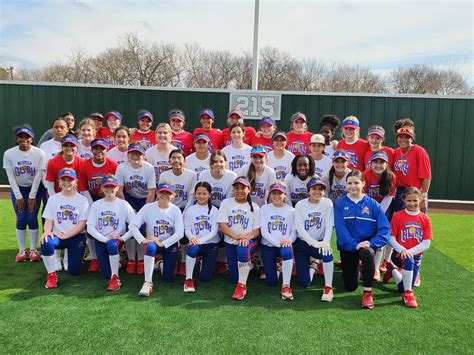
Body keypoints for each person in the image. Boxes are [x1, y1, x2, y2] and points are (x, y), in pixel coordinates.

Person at [335, 170, 390, 309]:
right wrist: (354, 244)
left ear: (363, 184)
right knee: (350, 286)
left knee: (368, 253)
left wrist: (372, 243)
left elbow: (385, 229)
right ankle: (359, 268)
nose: (353, 186)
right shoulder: (340, 203)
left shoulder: (373, 204)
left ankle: (367, 292)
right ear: (346, 185)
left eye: (356, 182)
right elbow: (340, 230)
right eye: (349, 183)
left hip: (366, 245)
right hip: (348, 247)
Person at [130, 183, 184, 297]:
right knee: (150, 246)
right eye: (162, 192)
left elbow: (180, 233)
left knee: (167, 278)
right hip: (153, 243)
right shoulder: (148, 207)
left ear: (173, 195)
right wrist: (142, 240)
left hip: (169, 245)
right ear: (157, 193)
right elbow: (133, 225)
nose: (164, 195)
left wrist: (163, 243)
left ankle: (161, 264)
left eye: (168, 193)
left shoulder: (176, 210)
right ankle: (148, 282)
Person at [40, 168, 90, 288]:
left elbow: (82, 224)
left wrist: (65, 235)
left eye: (70, 180)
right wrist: (47, 232)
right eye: (64, 180)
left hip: (76, 237)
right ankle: (51, 275)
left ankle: (70, 258)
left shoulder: (83, 200)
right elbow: (48, 220)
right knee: (46, 240)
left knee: (74, 272)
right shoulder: (53, 199)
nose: (67, 183)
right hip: (59, 236)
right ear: (59, 181)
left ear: (76, 181)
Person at [384, 187, 432, 308]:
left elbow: (426, 243)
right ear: (403, 200)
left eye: (415, 200)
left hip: (415, 257)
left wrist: (408, 252)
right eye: (409, 201)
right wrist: (402, 251)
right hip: (399, 255)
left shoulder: (425, 218)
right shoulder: (397, 216)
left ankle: (392, 270)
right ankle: (408, 295)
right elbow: (391, 238)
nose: (412, 203)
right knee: (408, 264)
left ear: (420, 200)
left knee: (402, 286)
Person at [3, 127, 46, 262]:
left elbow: (39, 175)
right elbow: (10, 177)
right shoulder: (9, 154)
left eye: (26, 137)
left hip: (35, 188)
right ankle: (22, 250)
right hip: (18, 189)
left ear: (31, 139)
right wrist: (19, 196)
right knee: (21, 219)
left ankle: (33, 250)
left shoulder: (39, 153)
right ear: (17, 139)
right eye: (20, 137)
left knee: (32, 218)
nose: (23, 140)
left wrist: (32, 196)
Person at [86, 175, 135, 291]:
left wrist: (123, 238)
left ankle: (115, 277)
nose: (109, 190)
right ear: (102, 188)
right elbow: (90, 228)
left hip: (116, 240)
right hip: (101, 240)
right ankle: (116, 264)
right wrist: (104, 238)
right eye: (106, 187)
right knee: (105, 274)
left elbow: (134, 225)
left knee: (112, 245)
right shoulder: (96, 205)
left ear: (117, 188)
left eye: (112, 187)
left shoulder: (123, 204)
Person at [217, 177, 260, 300]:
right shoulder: (226, 203)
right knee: (233, 278)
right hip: (231, 242)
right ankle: (250, 265)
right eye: (237, 188)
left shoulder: (255, 207)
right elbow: (223, 225)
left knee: (242, 248)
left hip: (248, 242)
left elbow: (256, 230)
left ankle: (242, 286)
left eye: (243, 188)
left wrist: (245, 238)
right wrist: (237, 237)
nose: (239, 191)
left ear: (249, 189)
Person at [79, 138, 119, 272]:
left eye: (102, 148)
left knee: (109, 225)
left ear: (107, 150)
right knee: (90, 228)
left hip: (109, 198)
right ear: (91, 150)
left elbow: (116, 187)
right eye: (96, 148)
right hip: (90, 199)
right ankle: (94, 256)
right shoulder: (84, 165)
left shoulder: (113, 165)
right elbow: (83, 187)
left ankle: (115, 253)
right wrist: (92, 206)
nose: (99, 151)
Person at [116, 143, 156, 274]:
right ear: (128, 155)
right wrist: (127, 207)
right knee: (130, 226)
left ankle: (142, 258)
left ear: (143, 155)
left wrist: (144, 210)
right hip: (129, 198)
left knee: (142, 227)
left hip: (145, 200)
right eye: (132, 153)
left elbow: (151, 191)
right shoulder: (121, 167)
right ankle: (132, 258)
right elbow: (119, 190)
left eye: (138, 153)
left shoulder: (149, 168)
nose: (135, 156)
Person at [294, 177, 335, 302]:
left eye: (320, 189)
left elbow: (329, 225)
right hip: (303, 245)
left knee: (328, 254)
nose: (317, 192)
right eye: (314, 189)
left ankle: (328, 286)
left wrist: (326, 243)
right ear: (308, 191)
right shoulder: (300, 205)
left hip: (320, 241)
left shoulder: (327, 203)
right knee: (304, 283)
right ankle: (314, 266)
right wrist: (313, 243)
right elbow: (299, 228)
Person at [363, 151, 397, 280]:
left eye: (381, 162)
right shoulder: (365, 174)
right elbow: (363, 196)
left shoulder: (391, 176)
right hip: (367, 208)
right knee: (365, 234)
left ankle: (376, 269)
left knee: (380, 237)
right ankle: (364, 262)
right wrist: (372, 213)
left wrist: (378, 215)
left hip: (383, 208)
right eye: (375, 162)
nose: (378, 165)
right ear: (370, 163)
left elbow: (389, 197)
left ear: (386, 164)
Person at [259, 182, 296, 300]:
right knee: (271, 282)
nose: (276, 196)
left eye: (279, 193)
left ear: (284, 194)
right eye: (273, 193)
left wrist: (288, 242)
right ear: (269, 194)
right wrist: (278, 243)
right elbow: (264, 232)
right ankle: (278, 269)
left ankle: (286, 285)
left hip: (284, 245)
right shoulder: (264, 209)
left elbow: (294, 232)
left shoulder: (291, 211)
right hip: (268, 246)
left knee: (286, 252)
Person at [183, 181, 220, 292]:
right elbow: (187, 229)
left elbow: (214, 231)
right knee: (193, 249)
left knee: (205, 278)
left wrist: (200, 240)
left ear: (209, 195)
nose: (201, 196)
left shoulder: (215, 210)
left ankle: (203, 263)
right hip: (196, 243)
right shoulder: (190, 210)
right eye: (199, 193)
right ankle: (188, 278)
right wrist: (191, 238)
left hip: (211, 243)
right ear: (195, 194)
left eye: (204, 193)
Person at [392, 120, 431, 213]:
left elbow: (426, 176)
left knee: (417, 222)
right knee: (400, 221)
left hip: (415, 192)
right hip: (400, 192)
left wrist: (423, 198)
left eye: (407, 137)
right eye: (400, 137)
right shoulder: (396, 152)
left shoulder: (419, 151)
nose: (403, 139)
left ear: (412, 138)